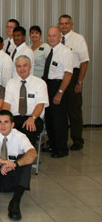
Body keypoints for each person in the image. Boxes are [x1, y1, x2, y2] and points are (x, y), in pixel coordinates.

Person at [0, 110, 37, 220]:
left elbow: (33, 154)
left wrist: (15, 164)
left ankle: (15, 202)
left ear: (12, 124)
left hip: (13, 180)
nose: (2, 125)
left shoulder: (20, 136)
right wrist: (2, 161)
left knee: (25, 159)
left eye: (6, 122)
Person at [58, 14, 90, 151]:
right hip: (60, 76)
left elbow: (84, 62)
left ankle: (77, 140)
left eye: (66, 23)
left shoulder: (78, 39)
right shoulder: (56, 38)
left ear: (71, 24)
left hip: (74, 75)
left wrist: (79, 81)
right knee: (61, 111)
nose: (64, 26)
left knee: (74, 111)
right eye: (61, 23)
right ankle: (61, 140)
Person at [3, 55, 49, 146]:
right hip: (15, 117)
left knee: (29, 129)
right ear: (16, 68)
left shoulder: (40, 83)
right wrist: (5, 119)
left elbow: (40, 105)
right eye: (19, 66)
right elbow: (6, 104)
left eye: (25, 65)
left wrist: (32, 118)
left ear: (30, 67)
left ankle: (26, 157)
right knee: (3, 127)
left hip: (33, 117)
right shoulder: (11, 83)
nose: (22, 69)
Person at [43, 27, 73, 158]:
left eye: (54, 36)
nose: (51, 38)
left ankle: (61, 148)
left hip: (58, 86)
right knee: (50, 118)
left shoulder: (65, 52)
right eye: (49, 36)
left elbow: (68, 74)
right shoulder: (52, 50)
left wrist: (60, 92)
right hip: (48, 85)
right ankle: (53, 145)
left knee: (59, 120)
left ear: (60, 36)